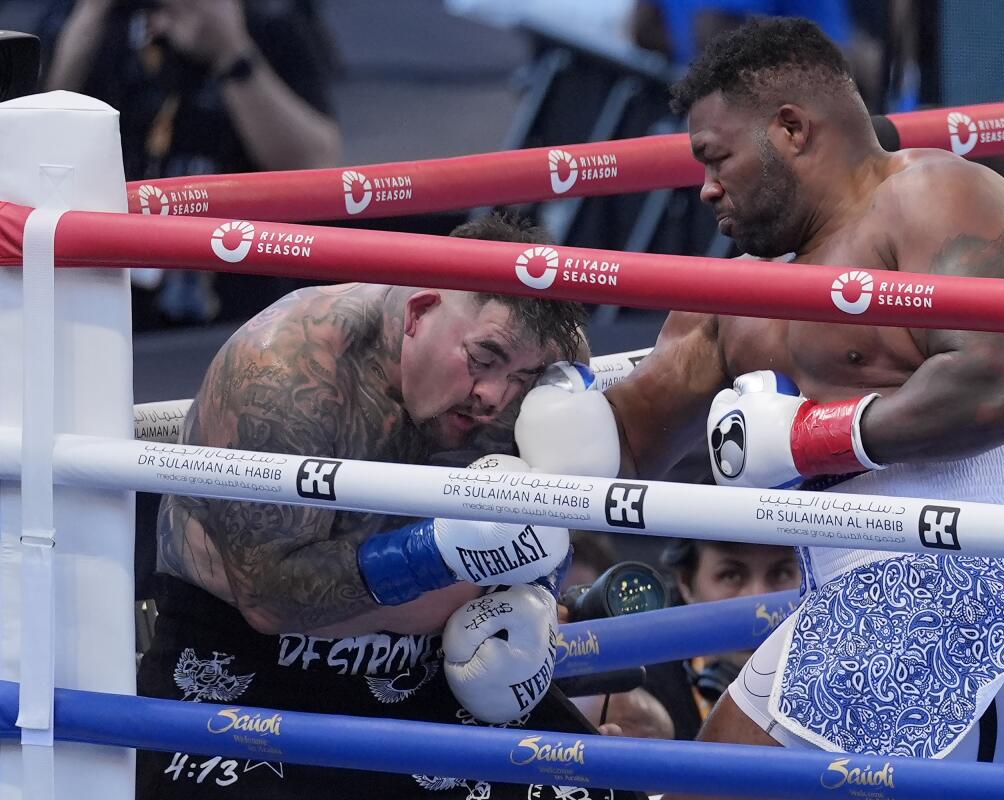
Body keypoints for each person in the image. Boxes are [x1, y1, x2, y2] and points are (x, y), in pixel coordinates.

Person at [516, 17, 1004, 776]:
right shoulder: (731, 298)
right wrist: (543, 408)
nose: (706, 187)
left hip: (980, 581)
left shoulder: (933, 193)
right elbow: (625, 441)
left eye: (718, 157)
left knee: (706, 786)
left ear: (791, 129)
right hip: (881, 599)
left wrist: (810, 436)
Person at [138, 214, 643, 800]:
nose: (494, 395)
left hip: (432, 662)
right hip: (252, 661)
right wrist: (431, 553)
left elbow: (544, 520)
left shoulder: (544, 361)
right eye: (484, 357)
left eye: (523, 375)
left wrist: (532, 599)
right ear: (418, 312)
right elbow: (269, 598)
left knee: (597, 789)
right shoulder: (284, 370)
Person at [39, 0, 341, 325]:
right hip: (102, 298)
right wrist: (90, 19)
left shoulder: (265, 21)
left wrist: (231, 52)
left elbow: (317, 161)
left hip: (236, 301)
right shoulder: (88, 21)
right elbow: (34, 141)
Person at [642, 539, 802, 741]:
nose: (758, 601)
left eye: (781, 574)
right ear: (686, 582)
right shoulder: (643, 692)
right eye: (731, 576)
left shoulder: (844, 685)